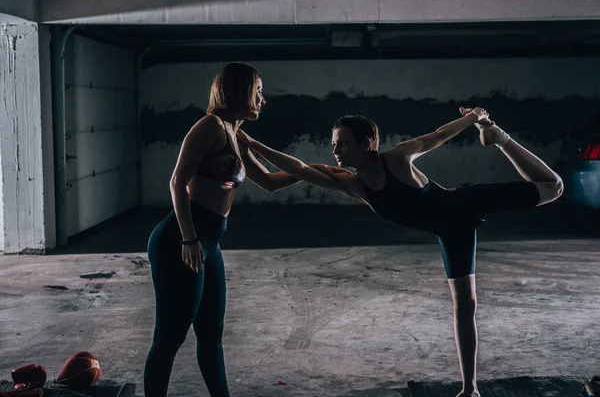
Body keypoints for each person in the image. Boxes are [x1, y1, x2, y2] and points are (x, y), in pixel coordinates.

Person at [236, 107, 563, 397]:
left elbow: (438, 135)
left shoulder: (397, 158)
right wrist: (251, 145)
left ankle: (500, 137)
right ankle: (470, 388)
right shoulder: (354, 186)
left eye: (344, 143)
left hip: (463, 204)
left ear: (366, 144)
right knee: (465, 305)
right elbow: (299, 168)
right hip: (450, 232)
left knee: (553, 187)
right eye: (334, 143)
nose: (336, 150)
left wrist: (474, 118)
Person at [143, 62, 346, 397]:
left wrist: (312, 170)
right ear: (240, 91)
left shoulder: (236, 136)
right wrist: (188, 238)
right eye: (258, 91)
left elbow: (267, 182)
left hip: (210, 243)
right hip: (181, 240)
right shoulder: (209, 127)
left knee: (212, 335)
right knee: (170, 337)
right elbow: (177, 181)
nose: (263, 99)